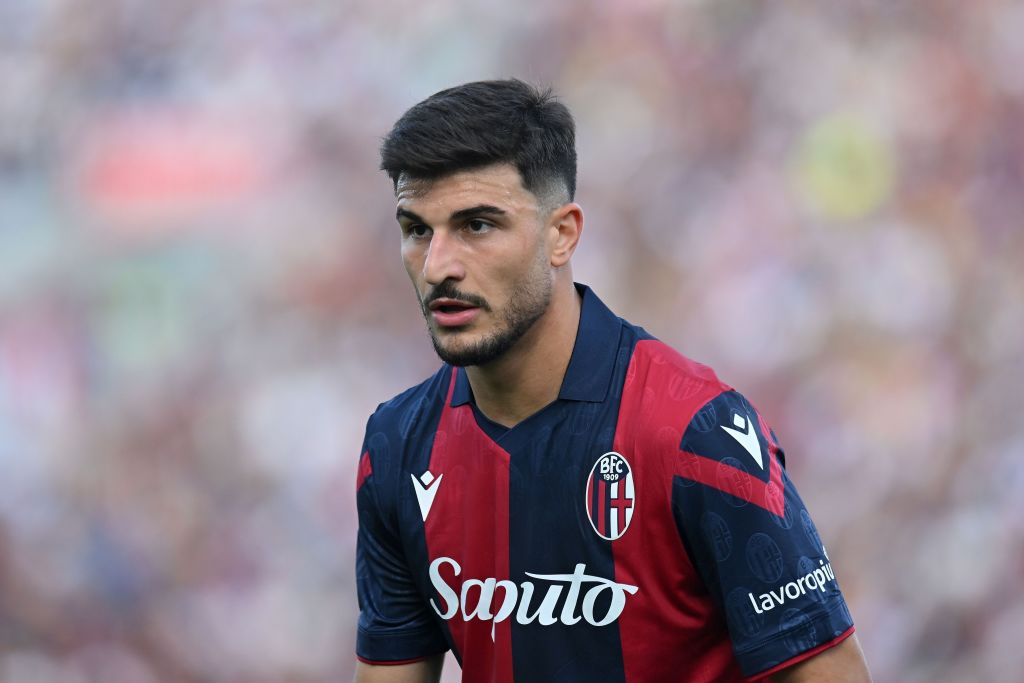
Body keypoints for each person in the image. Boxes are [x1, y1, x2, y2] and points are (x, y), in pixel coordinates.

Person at [354, 79, 872, 683]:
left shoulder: (696, 432)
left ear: (562, 234)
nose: (438, 265)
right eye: (417, 229)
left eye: (477, 226)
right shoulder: (397, 445)